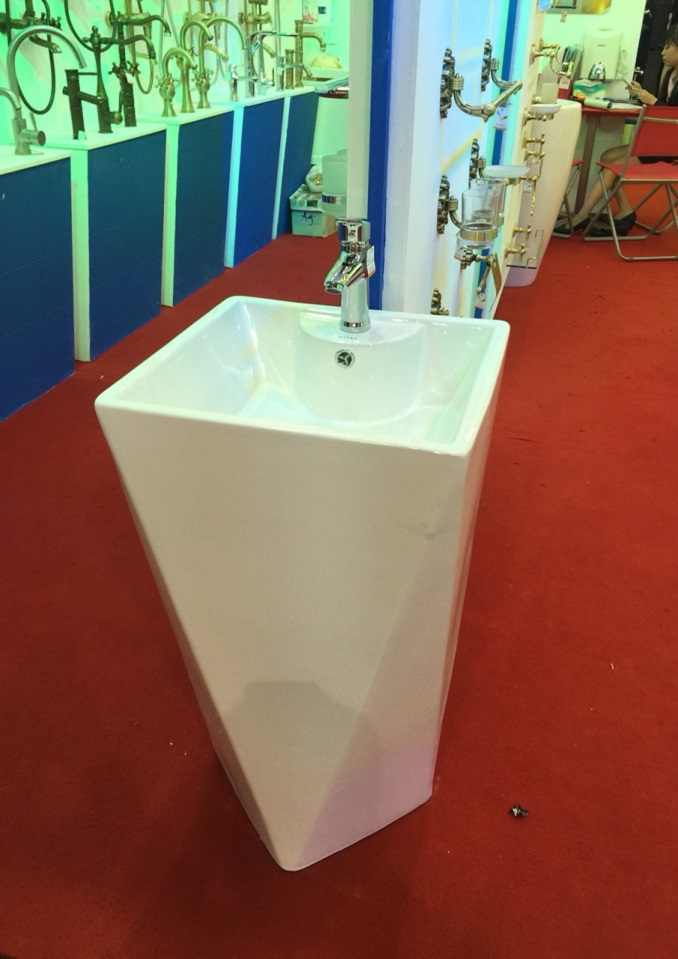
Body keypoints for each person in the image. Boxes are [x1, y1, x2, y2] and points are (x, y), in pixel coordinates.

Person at [554, 23, 678, 238]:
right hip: (661, 142)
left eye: (668, 47)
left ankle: (581, 216)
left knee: (612, 167)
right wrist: (644, 96)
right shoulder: (670, 76)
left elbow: (671, 116)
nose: (663, 52)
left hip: (670, 147)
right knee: (607, 157)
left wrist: (652, 101)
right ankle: (626, 212)